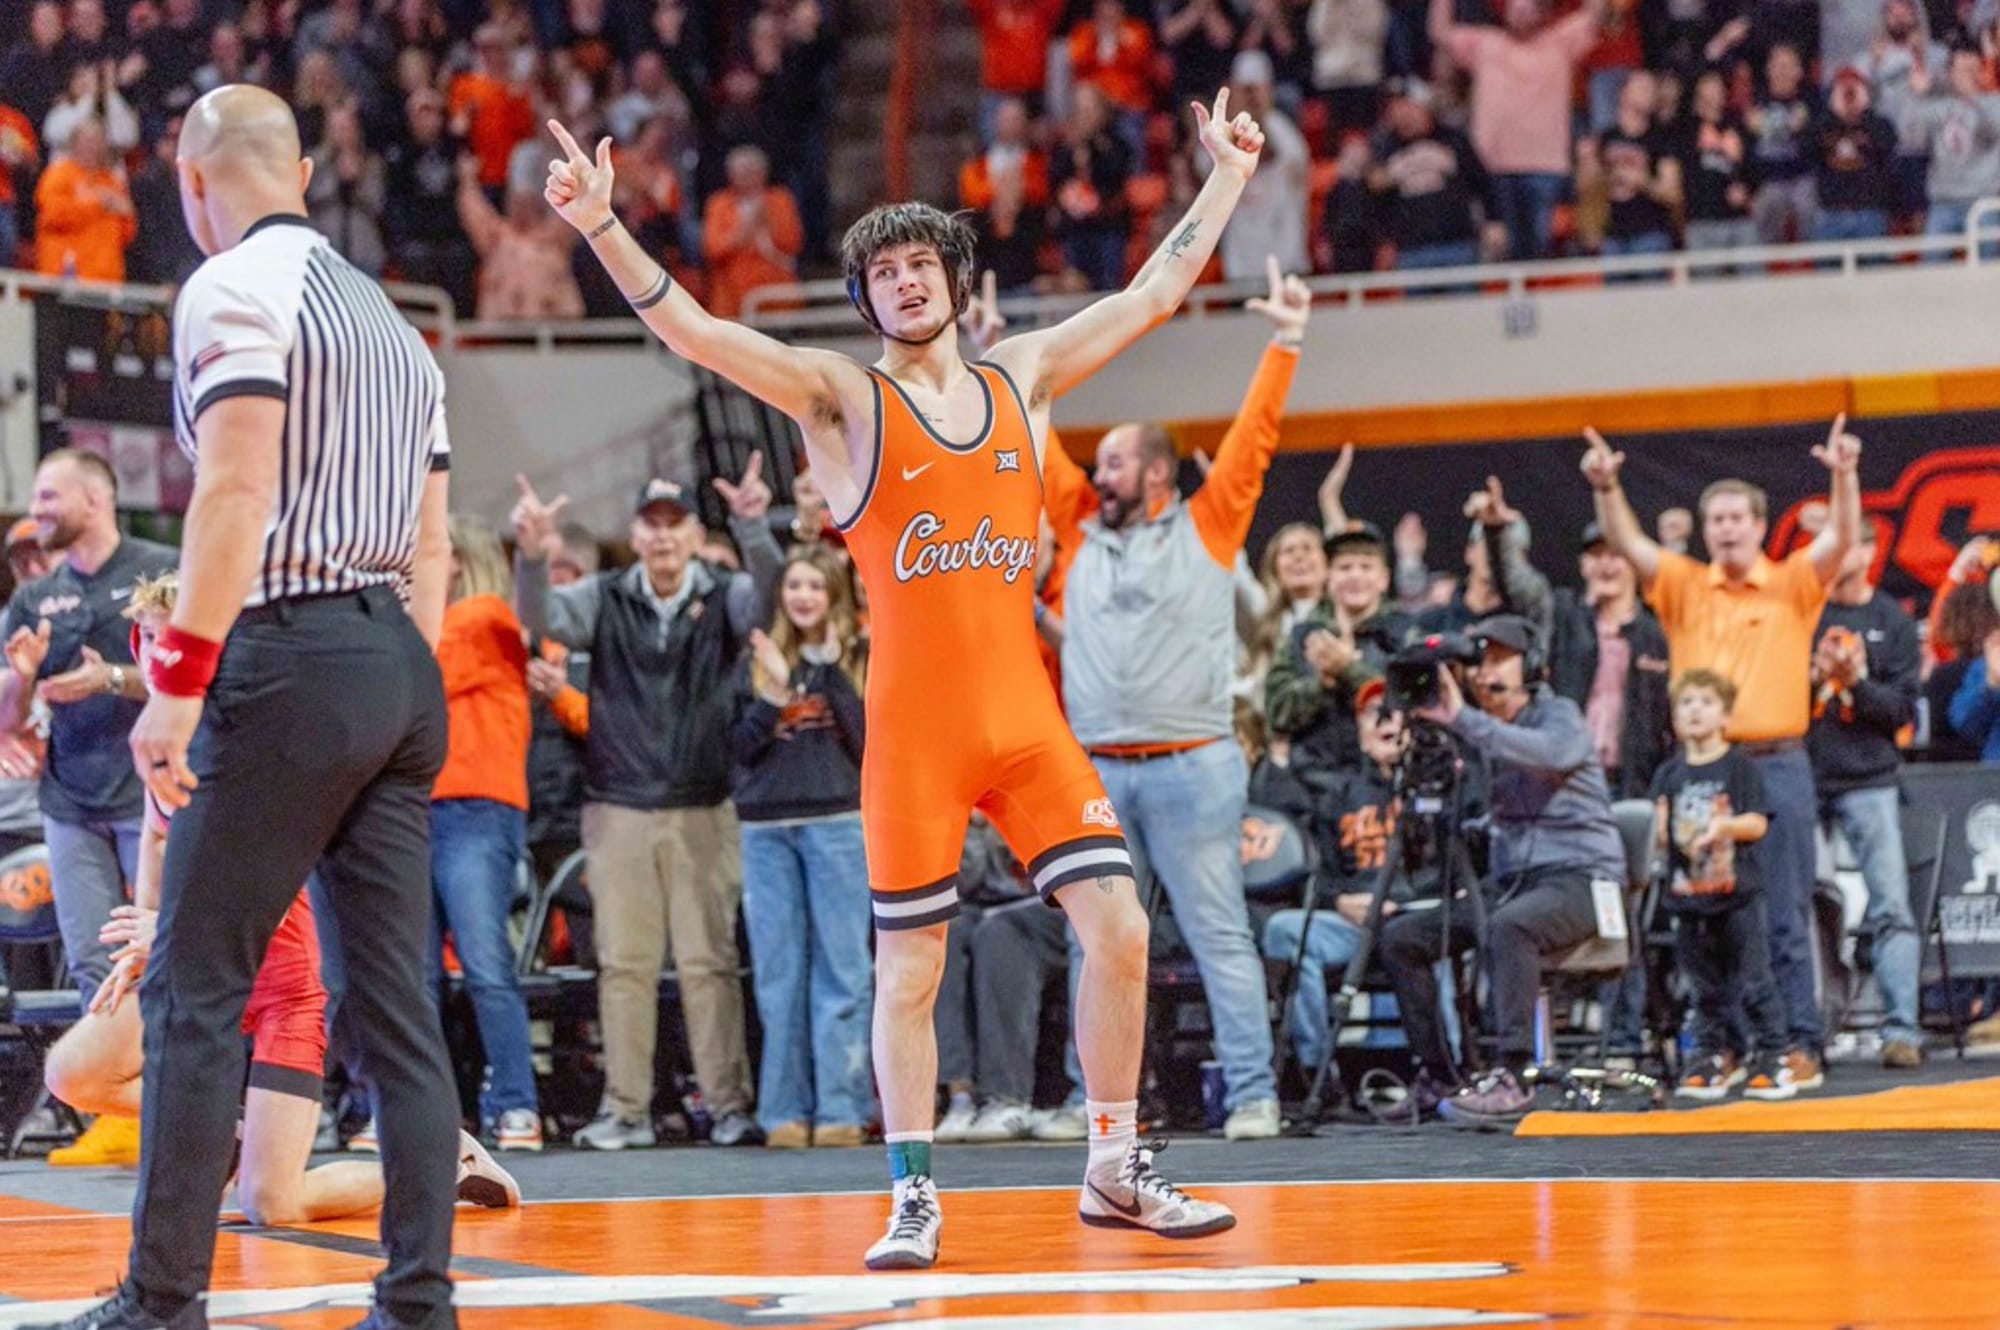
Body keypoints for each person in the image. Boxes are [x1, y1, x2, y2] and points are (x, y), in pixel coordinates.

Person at [542, 84, 1266, 1268]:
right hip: (916, 737)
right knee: (911, 966)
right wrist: (602, 226)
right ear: (865, 299)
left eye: (922, 264)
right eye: (883, 273)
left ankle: (1112, 1164)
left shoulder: (1022, 376)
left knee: (1121, 924)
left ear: (957, 282)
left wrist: (1226, 176)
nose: (906, 282)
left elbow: (1151, 293)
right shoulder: (843, 400)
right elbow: (702, 336)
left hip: (1025, 723)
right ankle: (914, 1192)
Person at [23, 84, 463, 1330]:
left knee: (192, 987)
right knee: (398, 1010)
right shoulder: (398, 329)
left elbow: (233, 491)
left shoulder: (230, 287)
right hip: (394, 657)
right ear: (305, 173)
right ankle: (417, 1304)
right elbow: (434, 541)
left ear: (187, 177)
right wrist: (394, 684)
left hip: (288, 649)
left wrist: (176, 681)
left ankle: (161, 1302)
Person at [41, 573, 520, 1225]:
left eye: (170, 638)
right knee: (73, 1073)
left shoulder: (254, 738)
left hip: (283, 982)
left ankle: (442, 1162)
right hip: (203, 959)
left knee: (272, 1204)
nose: (156, 654)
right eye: (147, 638)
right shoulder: (162, 740)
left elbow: (273, 872)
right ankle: (231, 1136)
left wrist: (175, 927)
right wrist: (148, 927)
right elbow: (156, 835)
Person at [1038, 257, 1309, 1142]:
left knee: (1219, 935)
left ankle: (1254, 1094)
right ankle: (1097, 1108)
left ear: (1157, 474)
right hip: (1097, 773)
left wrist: (1285, 343)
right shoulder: (1077, 529)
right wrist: (997, 368)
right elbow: (1034, 442)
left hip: (1194, 766)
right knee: (1096, 945)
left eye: (1115, 460)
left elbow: (1253, 442)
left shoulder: (1210, 522)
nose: (1097, 472)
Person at [1582, 415, 1864, 1092]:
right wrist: (1607, 487)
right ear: (1705, 530)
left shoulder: (1793, 582)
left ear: (1760, 525)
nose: (1727, 529)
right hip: (1703, 772)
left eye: (1738, 518)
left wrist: (1845, 476)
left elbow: (1840, 538)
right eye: (1717, 520)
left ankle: (1798, 1044)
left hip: (1777, 764)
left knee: (1785, 912)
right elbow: (1630, 543)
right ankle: (1728, 1047)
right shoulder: (1683, 586)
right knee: (1711, 919)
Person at [512, 472, 780, 1153]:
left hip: (703, 805)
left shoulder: (724, 594)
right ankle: (626, 1110)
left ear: (694, 533)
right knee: (624, 967)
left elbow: (770, 602)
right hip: (619, 808)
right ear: (634, 535)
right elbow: (541, 619)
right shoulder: (605, 596)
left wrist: (754, 528)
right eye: (651, 524)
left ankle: (727, 1106)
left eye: (674, 523)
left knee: (708, 964)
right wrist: (533, 555)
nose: (663, 536)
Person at [0, 451, 175, 1168]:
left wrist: (111, 679)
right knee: (91, 959)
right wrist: (21, 678)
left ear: (96, 499)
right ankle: (119, 1112)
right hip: (70, 802)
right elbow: (10, 723)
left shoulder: (160, 570)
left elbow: (200, 675)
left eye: (50, 496)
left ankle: (192, 1100)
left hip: (153, 793)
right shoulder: (34, 599)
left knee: (164, 952)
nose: (37, 510)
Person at [1392, 614, 1627, 1126]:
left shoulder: (1558, 714)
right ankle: (1440, 1074)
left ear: (1533, 667)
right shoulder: (1485, 731)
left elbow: (1551, 754)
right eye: (1481, 661)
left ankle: (1515, 1076)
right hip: (1515, 883)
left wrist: (1464, 721)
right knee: (1404, 937)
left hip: (1583, 879)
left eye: (1501, 659)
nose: (1486, 671)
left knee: (1509, 925)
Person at [730, 544, 874, 1149]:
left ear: (833, 595)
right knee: (779, 975)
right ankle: (782, 1110)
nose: (805, 596)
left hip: (837, 822)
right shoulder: (757, 659)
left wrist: (830, 669)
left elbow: (868, 743)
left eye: (816, 585)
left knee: (843, 969)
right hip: (766, 829)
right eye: (795, 585)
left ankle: (841, 1106)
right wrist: (773, 693)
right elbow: (736, 750)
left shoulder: (859, 657)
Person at [429, 516, 543, 1149]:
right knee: (417, 976)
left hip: (475, 809)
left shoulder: (483, 616)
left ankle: (516, 1102)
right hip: (415, 810)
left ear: (459, 559)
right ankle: (431, 1112)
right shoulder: (433, 625)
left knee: (485, 964)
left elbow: (421, 673)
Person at [1653, 669, 1797, 1101]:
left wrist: (1724, 827)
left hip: (1737, 896)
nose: (1694, 710)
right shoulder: (1669, 772)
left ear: (1725, 715)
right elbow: (1660, 826)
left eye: (1706, 702)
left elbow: (1757, 822)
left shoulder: (1739, 766)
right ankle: (1710, 1058)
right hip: (1687, 898)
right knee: (1703, 988)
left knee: (1754, 980)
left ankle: (1773, 1057)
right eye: (1686, 702)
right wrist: (1658, 832)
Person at [1427, 0, 1606, 259]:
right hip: (1492, 168)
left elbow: (1596, 15)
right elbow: (1439, 32)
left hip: (1545, 167)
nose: (1521, 13)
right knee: (1502, 254)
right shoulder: (1485, 43)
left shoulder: (1560, 42)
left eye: (1528, 7)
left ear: (1542, 12)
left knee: (1541, 252)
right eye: (1515, 7)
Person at [32, 116, 137, 282]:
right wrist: (97, 203)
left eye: (98, 142)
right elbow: (52, 216)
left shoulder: (113, 183)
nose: (93, 147)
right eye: (88, 141)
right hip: (65, 276)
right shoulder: (58, 175)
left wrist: (127, 213)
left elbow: (127, 234)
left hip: (106, 278)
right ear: (74, 143)